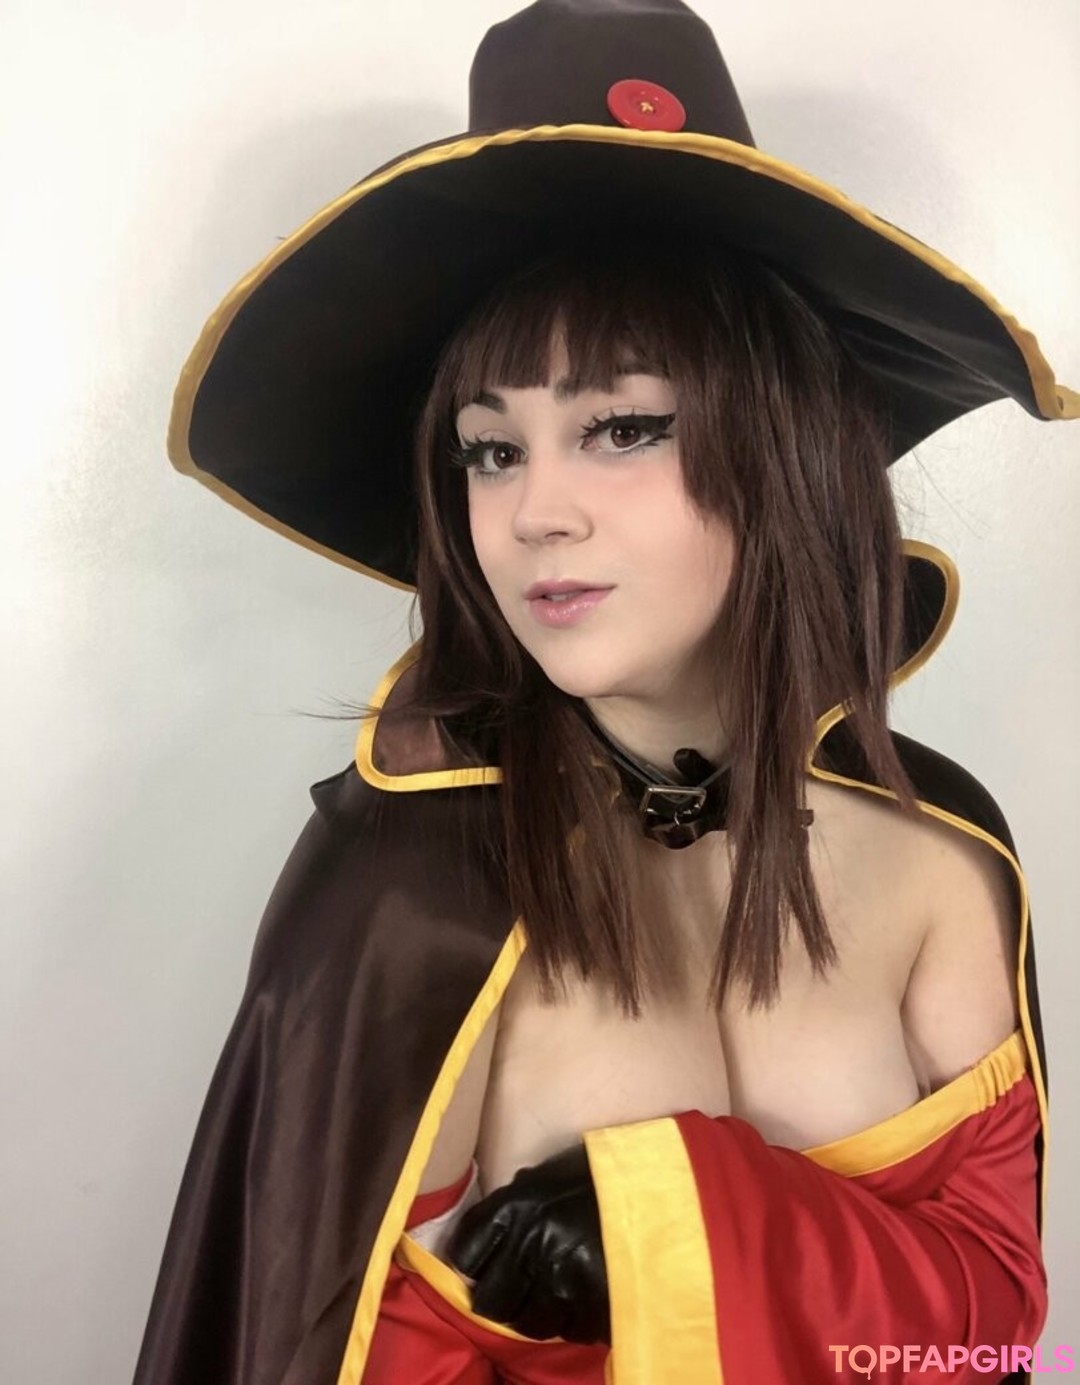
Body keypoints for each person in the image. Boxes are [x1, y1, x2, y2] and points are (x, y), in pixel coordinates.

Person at [132, 3, 1077, 1383]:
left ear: (787, 449)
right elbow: (319, 1350)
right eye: (491, 450)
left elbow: (989, 1326)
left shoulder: (940, 850)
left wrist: (666, 1215)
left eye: (621, 427)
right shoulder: (412, 896)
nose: (534, 514)